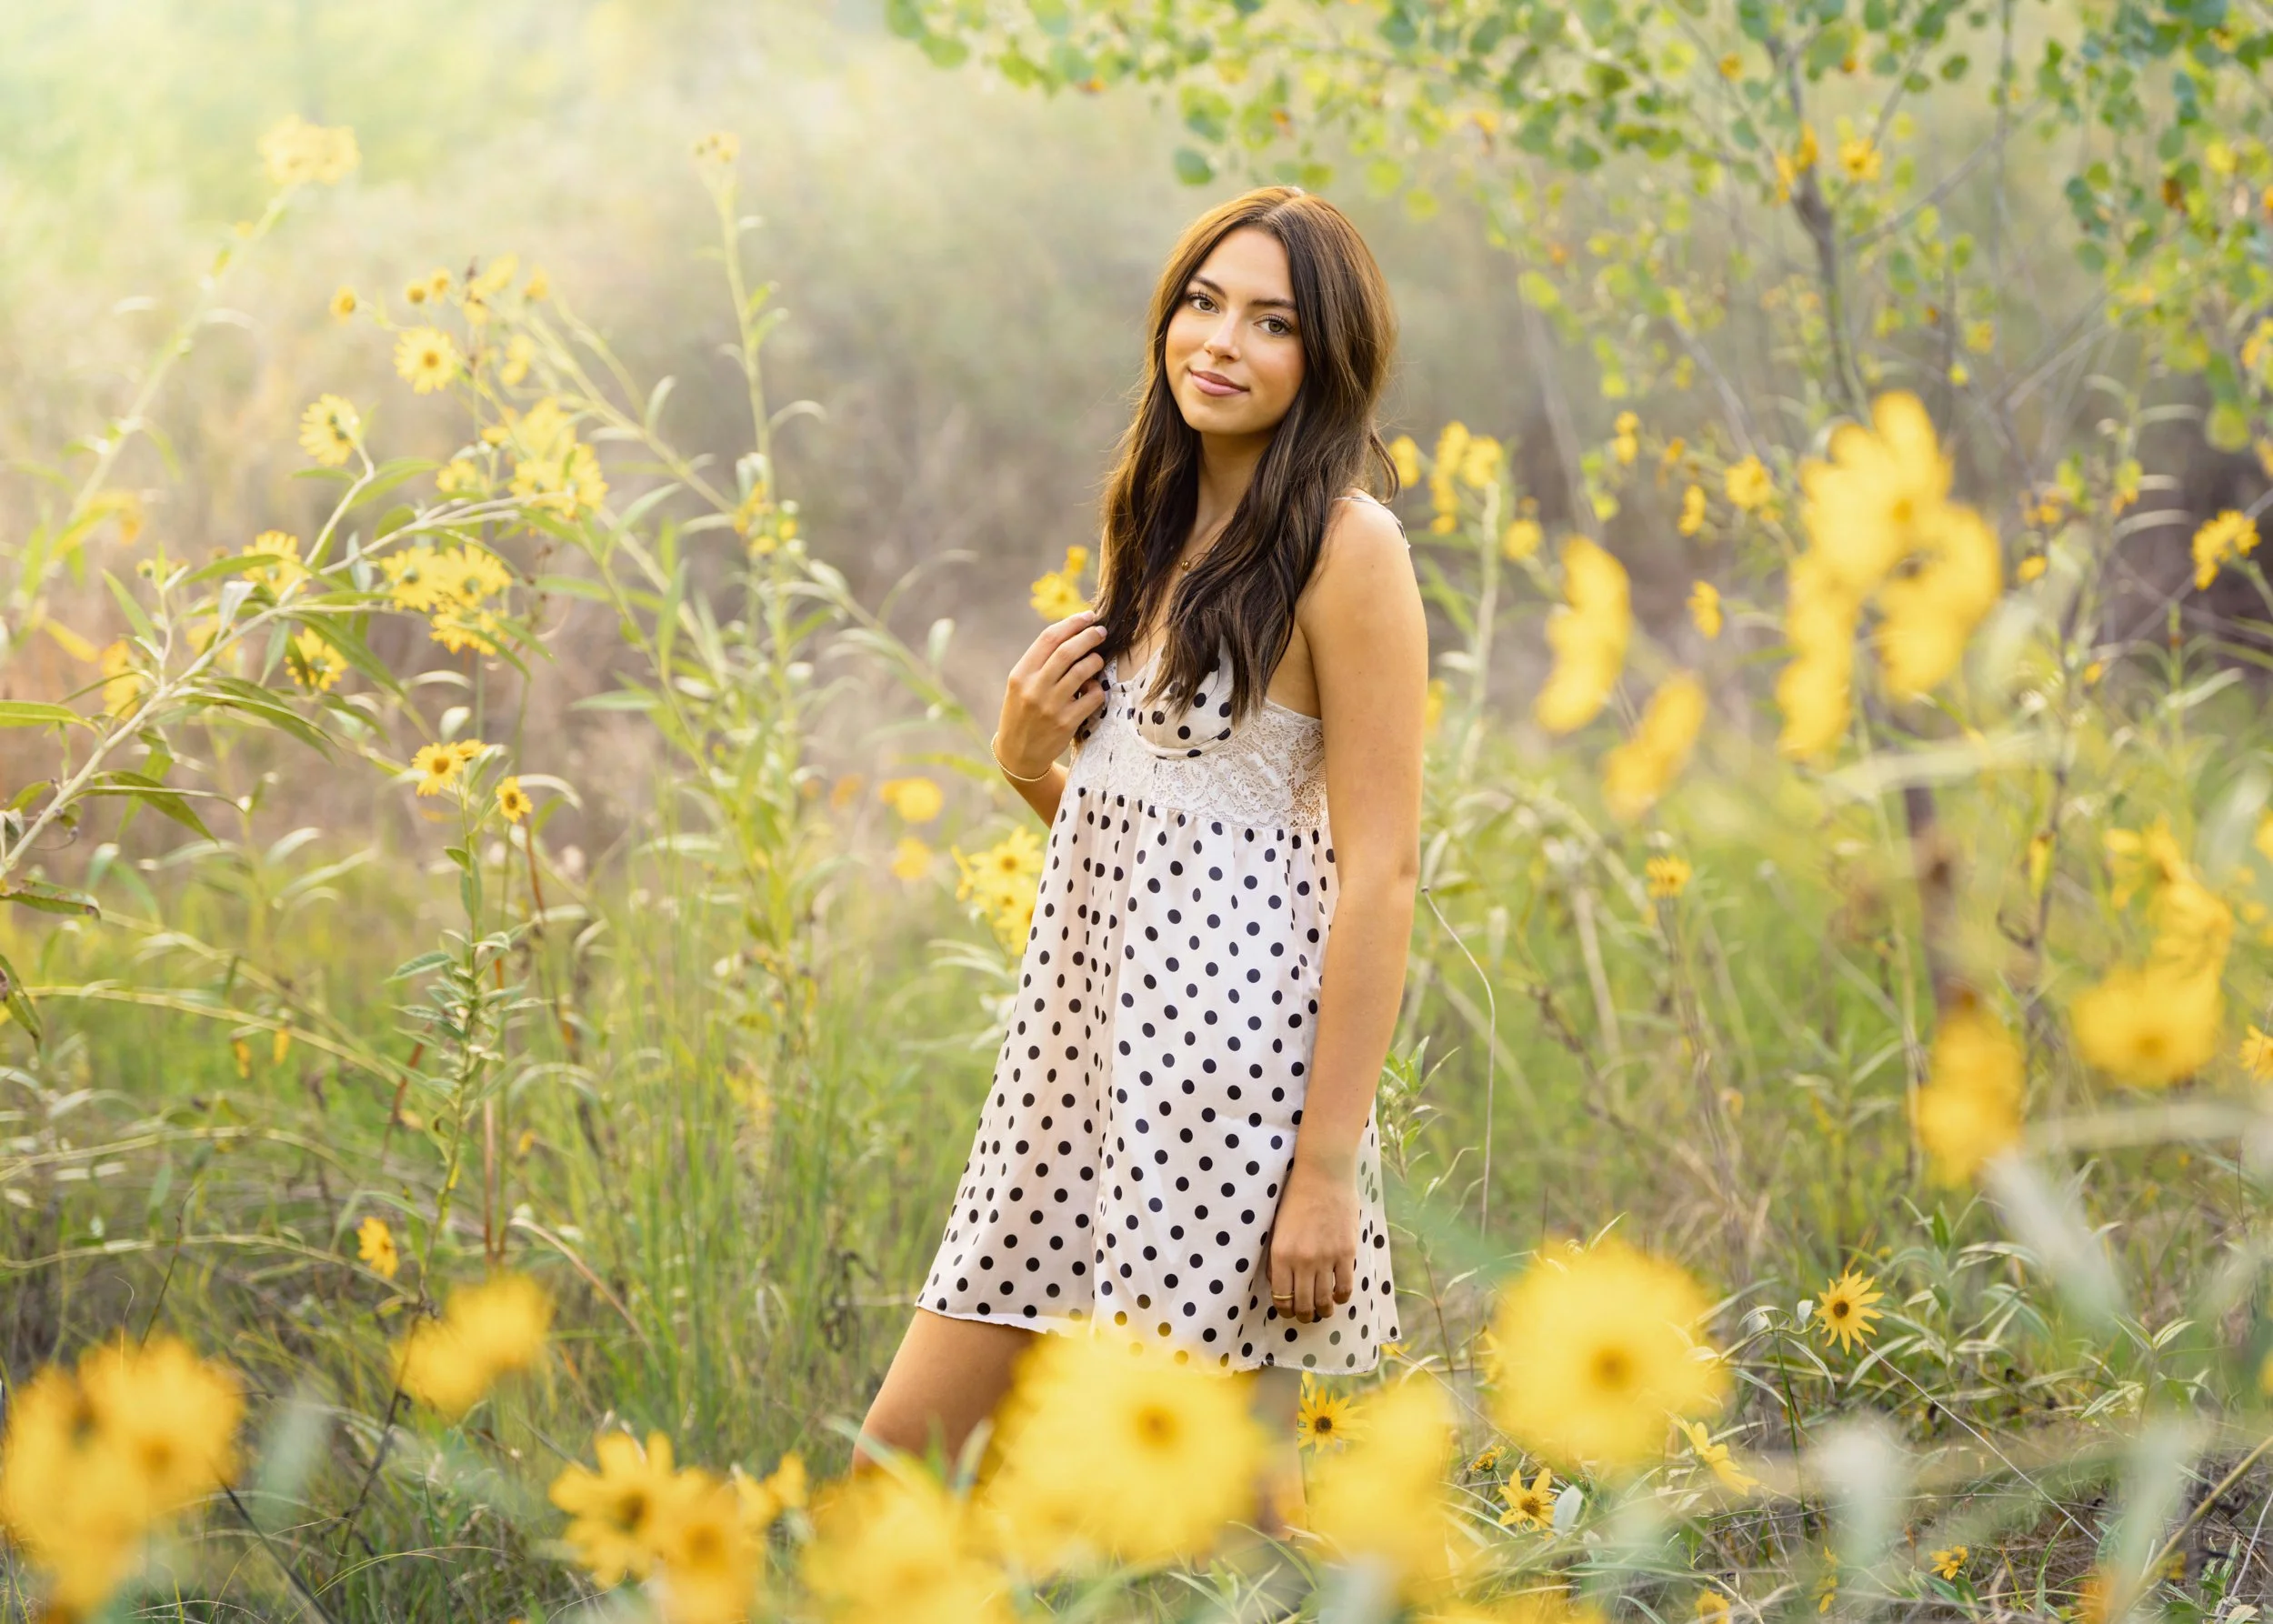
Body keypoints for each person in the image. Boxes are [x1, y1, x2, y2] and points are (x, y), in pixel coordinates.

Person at [856, 185, 1427, 1529]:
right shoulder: (1156, 522)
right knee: (902, 1462)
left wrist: (1326, 1168)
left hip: (1233, 1090)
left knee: (1224, 1519)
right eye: (1202, 301)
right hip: (1080, 1069)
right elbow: (1161, 854)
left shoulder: (1351, 548)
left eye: (1271, 321)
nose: (1220, 341)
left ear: (1325, 358)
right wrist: (1024, 766)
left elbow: (1382, 873)